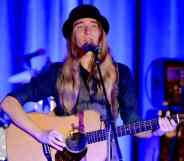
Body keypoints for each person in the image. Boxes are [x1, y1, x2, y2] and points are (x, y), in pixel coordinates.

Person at [0, 4, 177, 161]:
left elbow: (133, 123)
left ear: (101, 34)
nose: (87, 31)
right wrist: (42, 135)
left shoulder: (120, 73)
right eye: (80, 26)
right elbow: (8, 103)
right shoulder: (57, 73)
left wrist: (157, 129)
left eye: (94, 26)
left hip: (104, 155)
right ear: (72, 36)